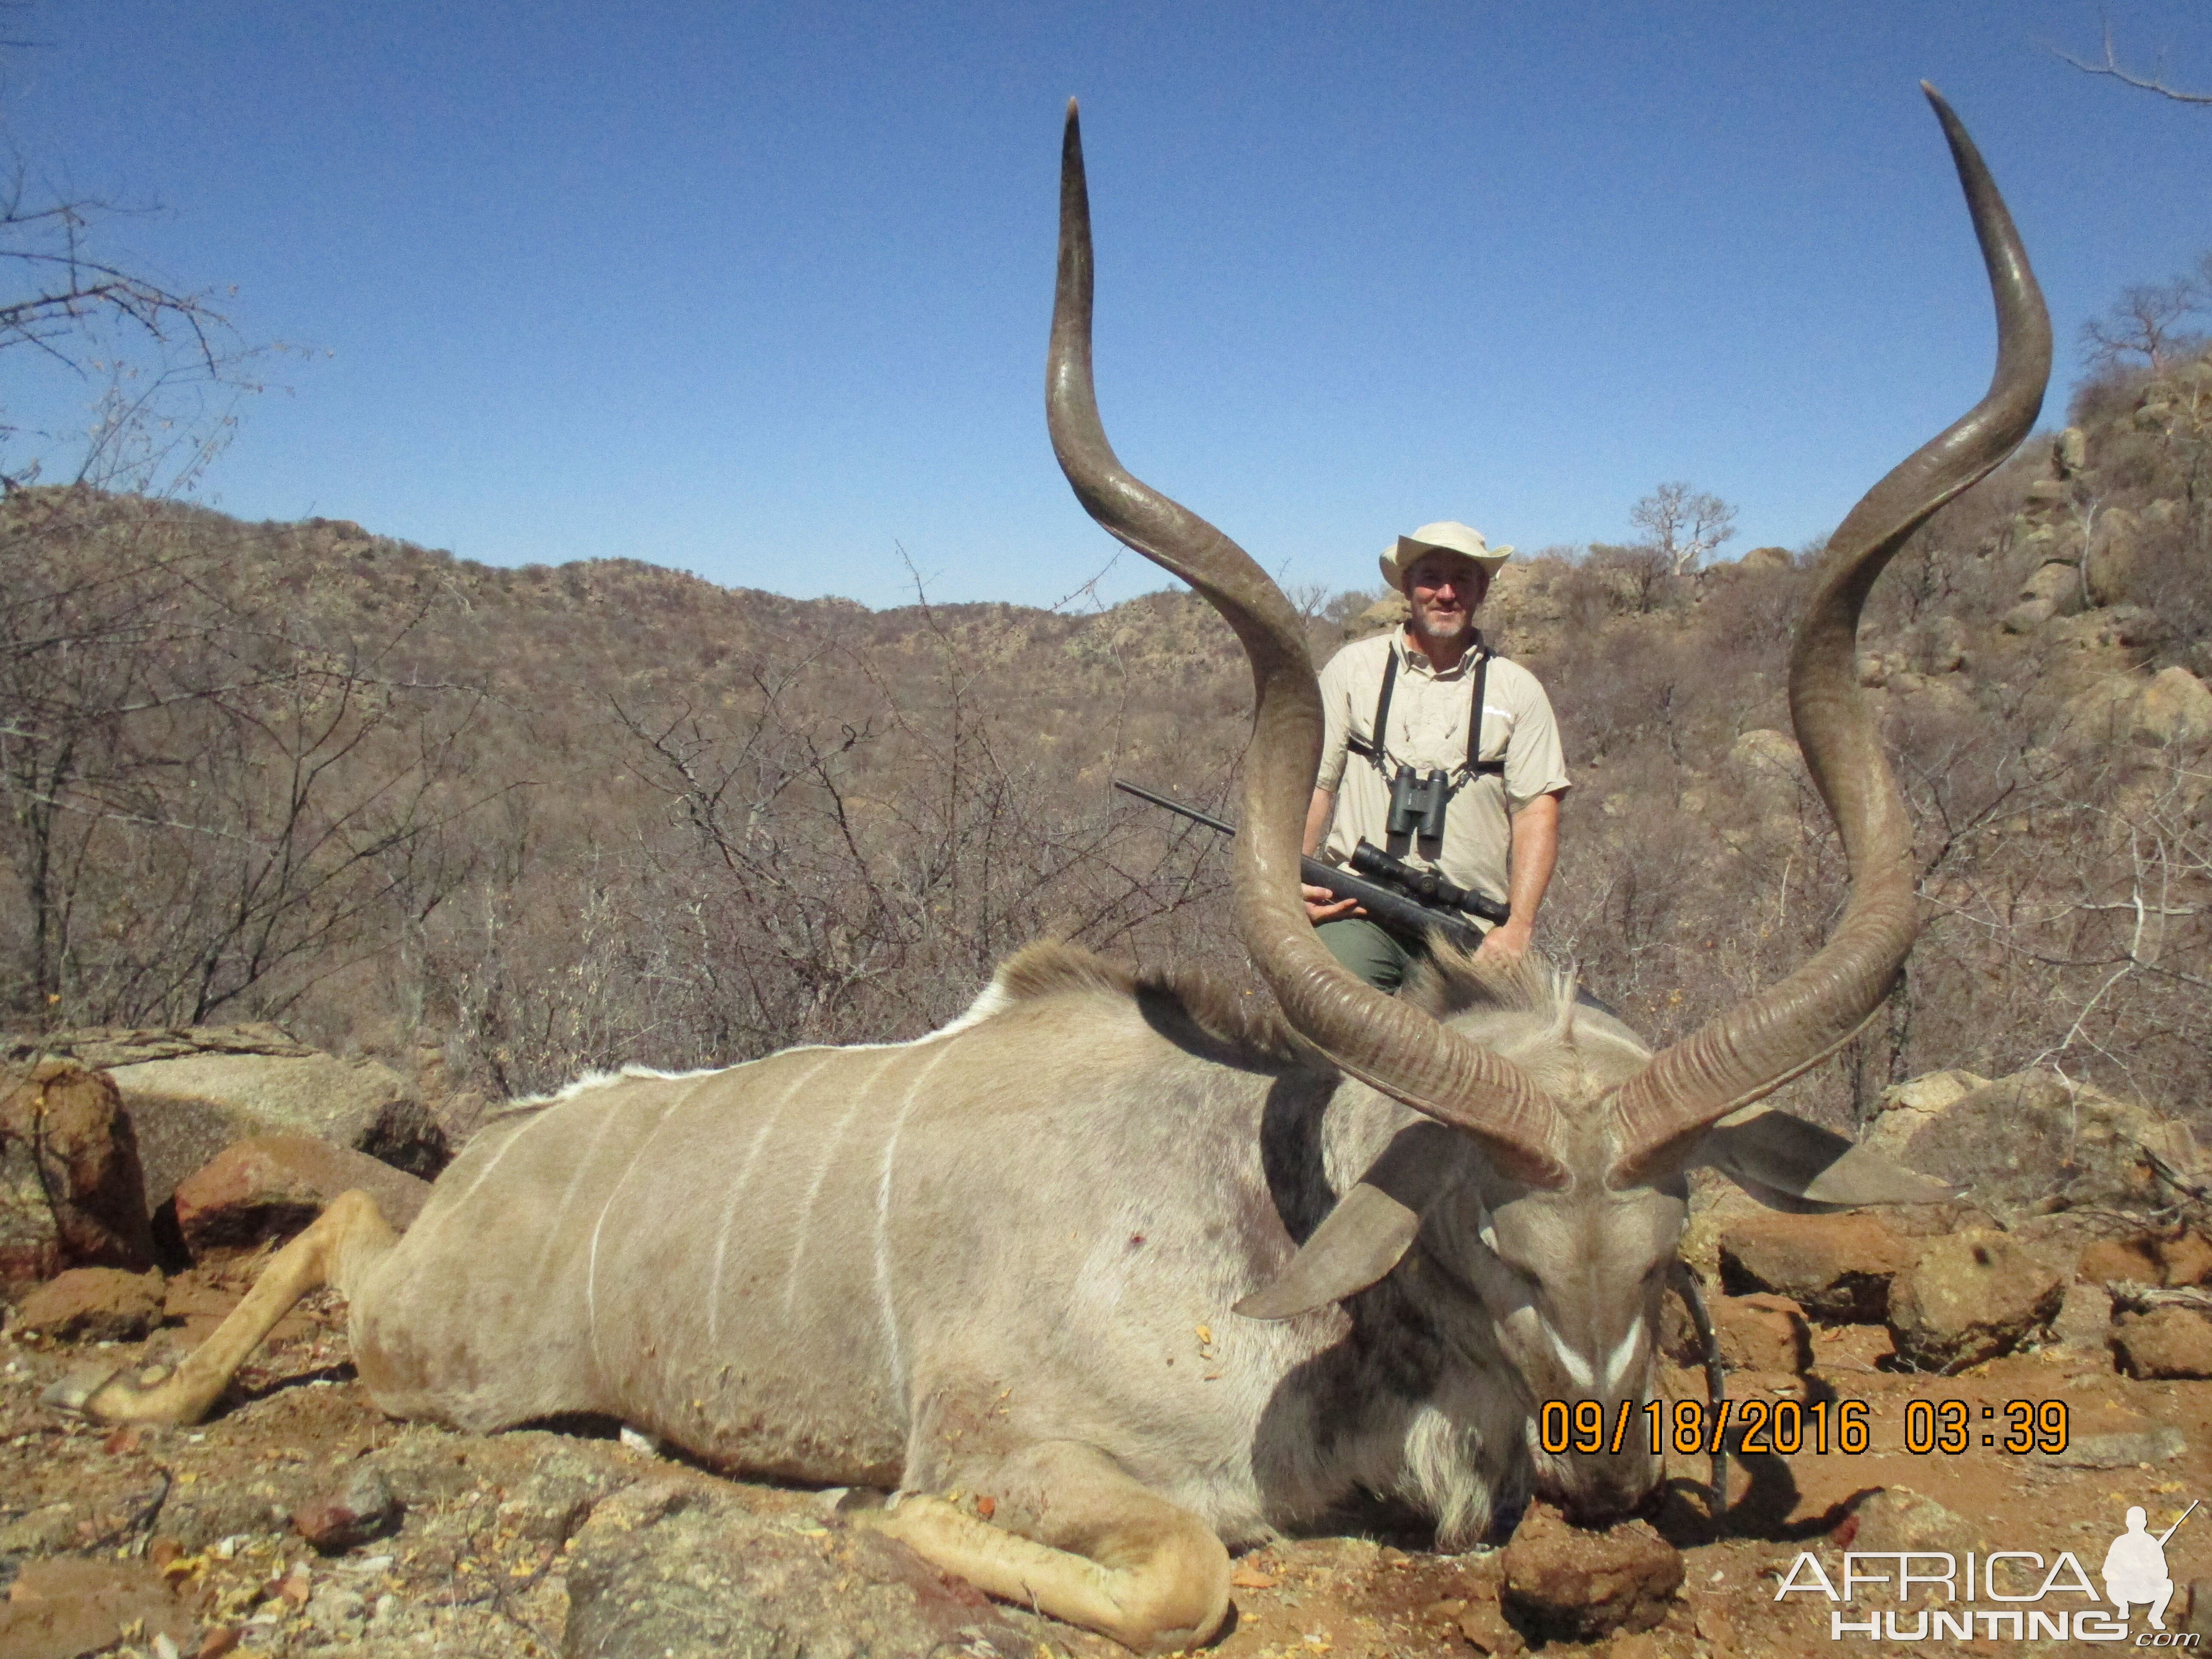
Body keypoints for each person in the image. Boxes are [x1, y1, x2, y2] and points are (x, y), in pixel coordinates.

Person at [1302, 521, 1570, 992]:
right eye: (1430, 578)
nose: (1446, 593)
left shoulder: (1518, 689)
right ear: (1407, 587)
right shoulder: (1351, 670)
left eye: (1462, 579)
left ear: (1482, 589)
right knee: (1329, 1006)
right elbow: (1313, 787)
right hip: (1359, 908)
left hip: (1470, 930)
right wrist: (1291, 883)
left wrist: (1517, 928)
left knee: (1507, 1054)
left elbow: (1536, 813)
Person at [2103, 1505, 2176, 1629]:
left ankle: (2155, 1616)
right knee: (2111, 1584)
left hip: (2146, 1590)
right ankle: (2123, 1607)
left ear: (2145, 1523)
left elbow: (2163, 1572)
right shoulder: (2119, 1542)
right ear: (2127, 1523)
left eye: (2139, 1522)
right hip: (2124, 1590)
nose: (2136, 1525)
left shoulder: (2152, 1543)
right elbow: (2107, 1571)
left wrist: (2149, 1572)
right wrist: (2122, 1576)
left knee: (2168, 1585)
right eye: (2133, 1522)